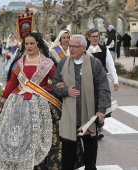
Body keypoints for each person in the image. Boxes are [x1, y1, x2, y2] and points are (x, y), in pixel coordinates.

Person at [0, 32, 62, 170]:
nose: (29, 46)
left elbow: (57, 80)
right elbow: (11, 82)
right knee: (16, 134)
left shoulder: (47, 62)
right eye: (26, 44)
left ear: (38, 44)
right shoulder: (19, 63)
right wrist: (2, 100)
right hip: (17, 102)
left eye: (32, 43)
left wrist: (49, 88)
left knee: (40, 134)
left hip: (41, 102)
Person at [52, 34, 111, 170]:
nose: (71, 49)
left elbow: (104, 87)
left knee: (90, 161)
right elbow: (54, 85)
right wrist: (66, 91)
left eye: (75, 46)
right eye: (70, 46)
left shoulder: (94, 63)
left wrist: (101, 110)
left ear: (83, 48)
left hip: (89, 117)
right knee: (68, 159)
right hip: (69, 117)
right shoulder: (63, 63)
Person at [87, 28, 119, 139]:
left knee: (102, 102)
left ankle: (100, 126)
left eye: (97, 36)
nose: (96, 38)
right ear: (89, 38)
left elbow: (110, 66)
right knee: (90, 104)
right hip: (88, 82)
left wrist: (116, 81)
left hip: (101, 81)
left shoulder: (104, 50)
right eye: (93, 36)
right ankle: (90, 126)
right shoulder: (85, 50)